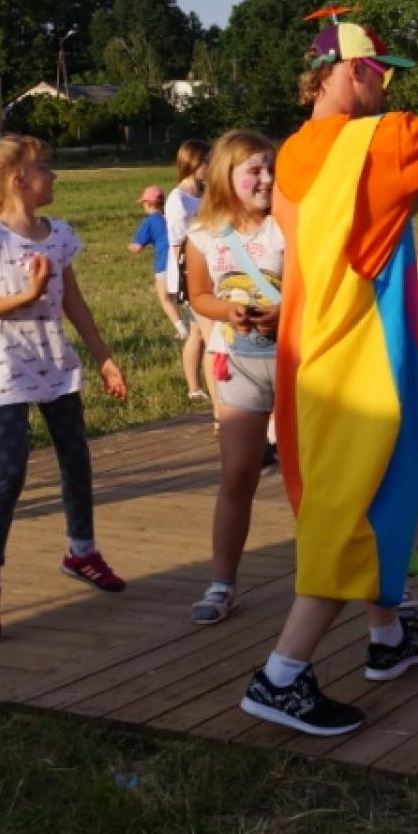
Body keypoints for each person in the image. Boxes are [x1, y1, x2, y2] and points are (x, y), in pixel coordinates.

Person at [240, 16, 418, 737]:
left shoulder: (295, 151)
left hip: (310, 348)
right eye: (380, 71)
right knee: (348, 511)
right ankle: (281, 676)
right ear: (351, 70)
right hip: (360, 358)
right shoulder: (376, 140)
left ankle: (389, 635)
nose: (386, 85)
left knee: (375, 497)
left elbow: (351, 229)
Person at [0, 135, 129, 638]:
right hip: (8, 368)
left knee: (76, 458)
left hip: (55, 364)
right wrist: (28, 294)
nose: (53, 174)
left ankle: (82, 552)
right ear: (19, 180)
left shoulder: (59, 235)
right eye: (45, 167)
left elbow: (73, 300)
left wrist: (103, 356)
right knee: (9, 473)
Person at [184, 130, 284, 626]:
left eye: (271, 168)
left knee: (312, 477)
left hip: (298, 364)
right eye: (254, 170)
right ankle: (222, 583)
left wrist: (285, 315)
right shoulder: (204, 233)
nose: (266, 179)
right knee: (238, 475)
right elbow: (199, 295)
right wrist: (229, 311)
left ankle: (339, 576)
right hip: (237, 364)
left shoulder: (289, 225)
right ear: (226, 175)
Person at [165, 140, 212, 404]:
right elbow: (176, 245)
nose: (210, 166)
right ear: (192, 162)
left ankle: (196, 387)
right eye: (206, 161)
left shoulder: (205, 193)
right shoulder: (178, 199)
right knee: (206, 333)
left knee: (198, 332)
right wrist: (190, 279)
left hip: (209, 270)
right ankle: (203, 388)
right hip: (191, 275)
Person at [129, 185, 184, 339]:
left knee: (165, 297)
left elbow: (136, 247)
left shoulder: (150, 221)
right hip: (180, 257)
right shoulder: (169, 217)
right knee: (180, 294)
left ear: (147, 204)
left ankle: (182, 330)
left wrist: (129, 246)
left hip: (164, 262)